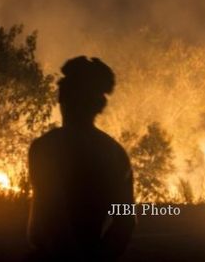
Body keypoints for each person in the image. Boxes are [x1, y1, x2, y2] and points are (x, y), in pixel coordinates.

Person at [27, 56, 135, 260]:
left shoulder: (46, 148)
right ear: (98, 105)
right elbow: (125, 220)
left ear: (63, 99)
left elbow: (53, 213)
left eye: (64, 93)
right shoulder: (114, 153)